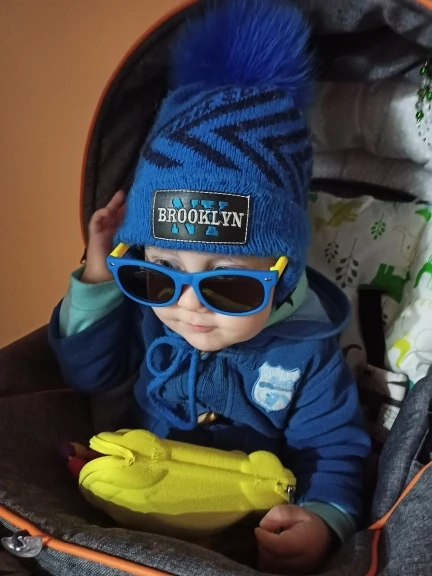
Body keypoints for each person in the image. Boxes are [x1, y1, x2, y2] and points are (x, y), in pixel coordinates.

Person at [49, 1, 370, 573]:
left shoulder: (307, 355)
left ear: (283, 274)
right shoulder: (150, 313)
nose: (188, 303)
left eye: (229, 285)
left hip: (251, 529)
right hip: (138, 502)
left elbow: (336, 449)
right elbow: (87, 374)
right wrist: (99, 275)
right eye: (159, 272)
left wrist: (323, 518)